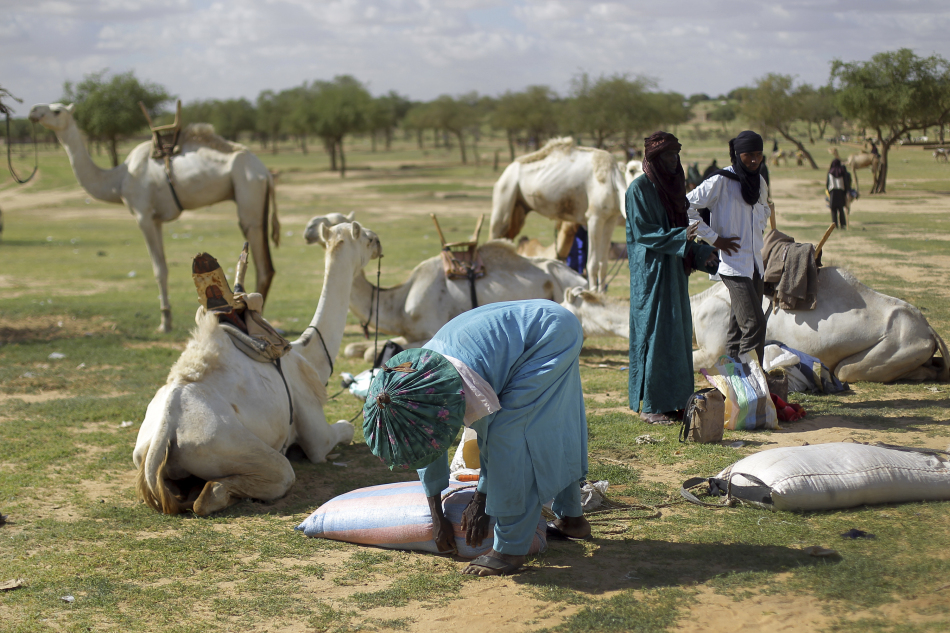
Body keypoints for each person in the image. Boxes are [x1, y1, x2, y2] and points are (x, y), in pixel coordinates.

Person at [362, 300, 590, 576]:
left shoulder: (464, 386)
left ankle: (509, 551)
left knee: (513, 434)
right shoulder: (412, 387)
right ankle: (572, 519)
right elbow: (428, 449)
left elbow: (496, 447)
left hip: (548, 334)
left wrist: (481, 500)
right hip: (527, 329)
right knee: (552, 423)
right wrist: (437, 516)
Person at [625, 132, 719, 424]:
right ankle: (652, 406)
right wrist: (681, 236)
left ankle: (675, 401)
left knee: (676, 336)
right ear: (653, 159)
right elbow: (644, 233)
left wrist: (703, 254)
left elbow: (683, 232)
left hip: (675, 273)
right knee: (655, 335)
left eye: (677, 154)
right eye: (668, 156)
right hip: (652, 274)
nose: (674, 160)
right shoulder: (638, 189)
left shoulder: (674, 189)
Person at [687, 130, 772, 364]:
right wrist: (714, 239)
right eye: (748, 155)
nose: (754, 160)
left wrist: (762, 220)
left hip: (755, 264)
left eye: (758, 155)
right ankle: (752, 382)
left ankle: (733, 385)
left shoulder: (759, 181)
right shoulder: (721, 181)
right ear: (737, 154)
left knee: (736, 329)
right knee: (754, 325)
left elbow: (764, 207)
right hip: (733, 265)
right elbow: (687, 207)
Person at [827, 159, 852, 229]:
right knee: (841, 209)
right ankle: (843, 224)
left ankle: (834, 225)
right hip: (841, 192)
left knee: (833, 209)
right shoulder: (842, 172)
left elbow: (827, 184)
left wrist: (828, 192)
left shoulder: (830, 172)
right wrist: (846, 191)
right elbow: (846, 183)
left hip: (832, 192)